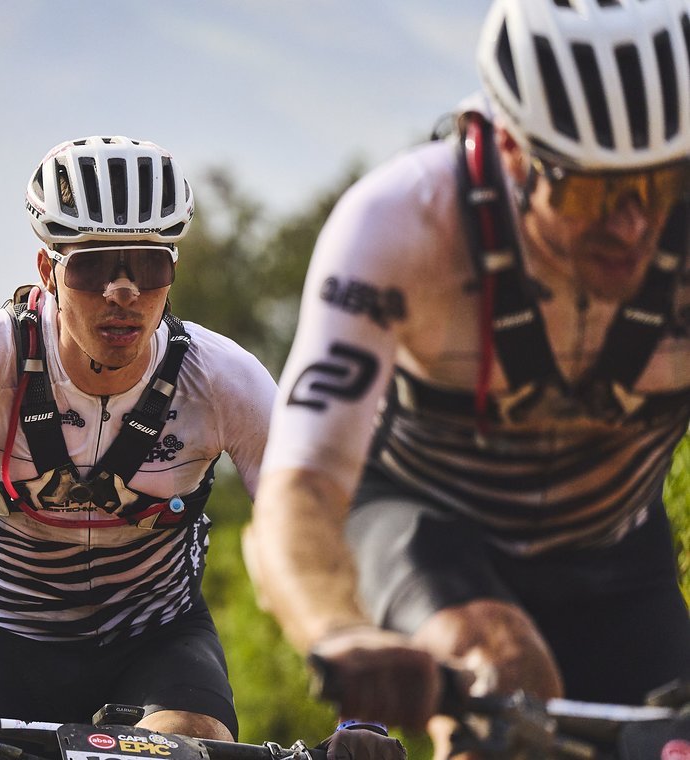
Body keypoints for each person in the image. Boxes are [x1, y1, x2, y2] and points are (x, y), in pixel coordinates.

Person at [0, 135, 404, 760]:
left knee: (192, 748)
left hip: (158, 637)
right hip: (10, 637)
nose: (122, 294)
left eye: (148, 266)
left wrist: (361, 717)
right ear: (47, 272)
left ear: (172, 274)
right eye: (93, 267)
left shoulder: (224, 379)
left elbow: (313, 536)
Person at [244, 0, 690, 755]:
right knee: (503, 668)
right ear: (511, 152)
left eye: (660, 182)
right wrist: (339, 629)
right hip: (427, 525)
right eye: (590, 191)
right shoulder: (403, 222)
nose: (632, 226)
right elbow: (302, 488)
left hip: (614, 547)